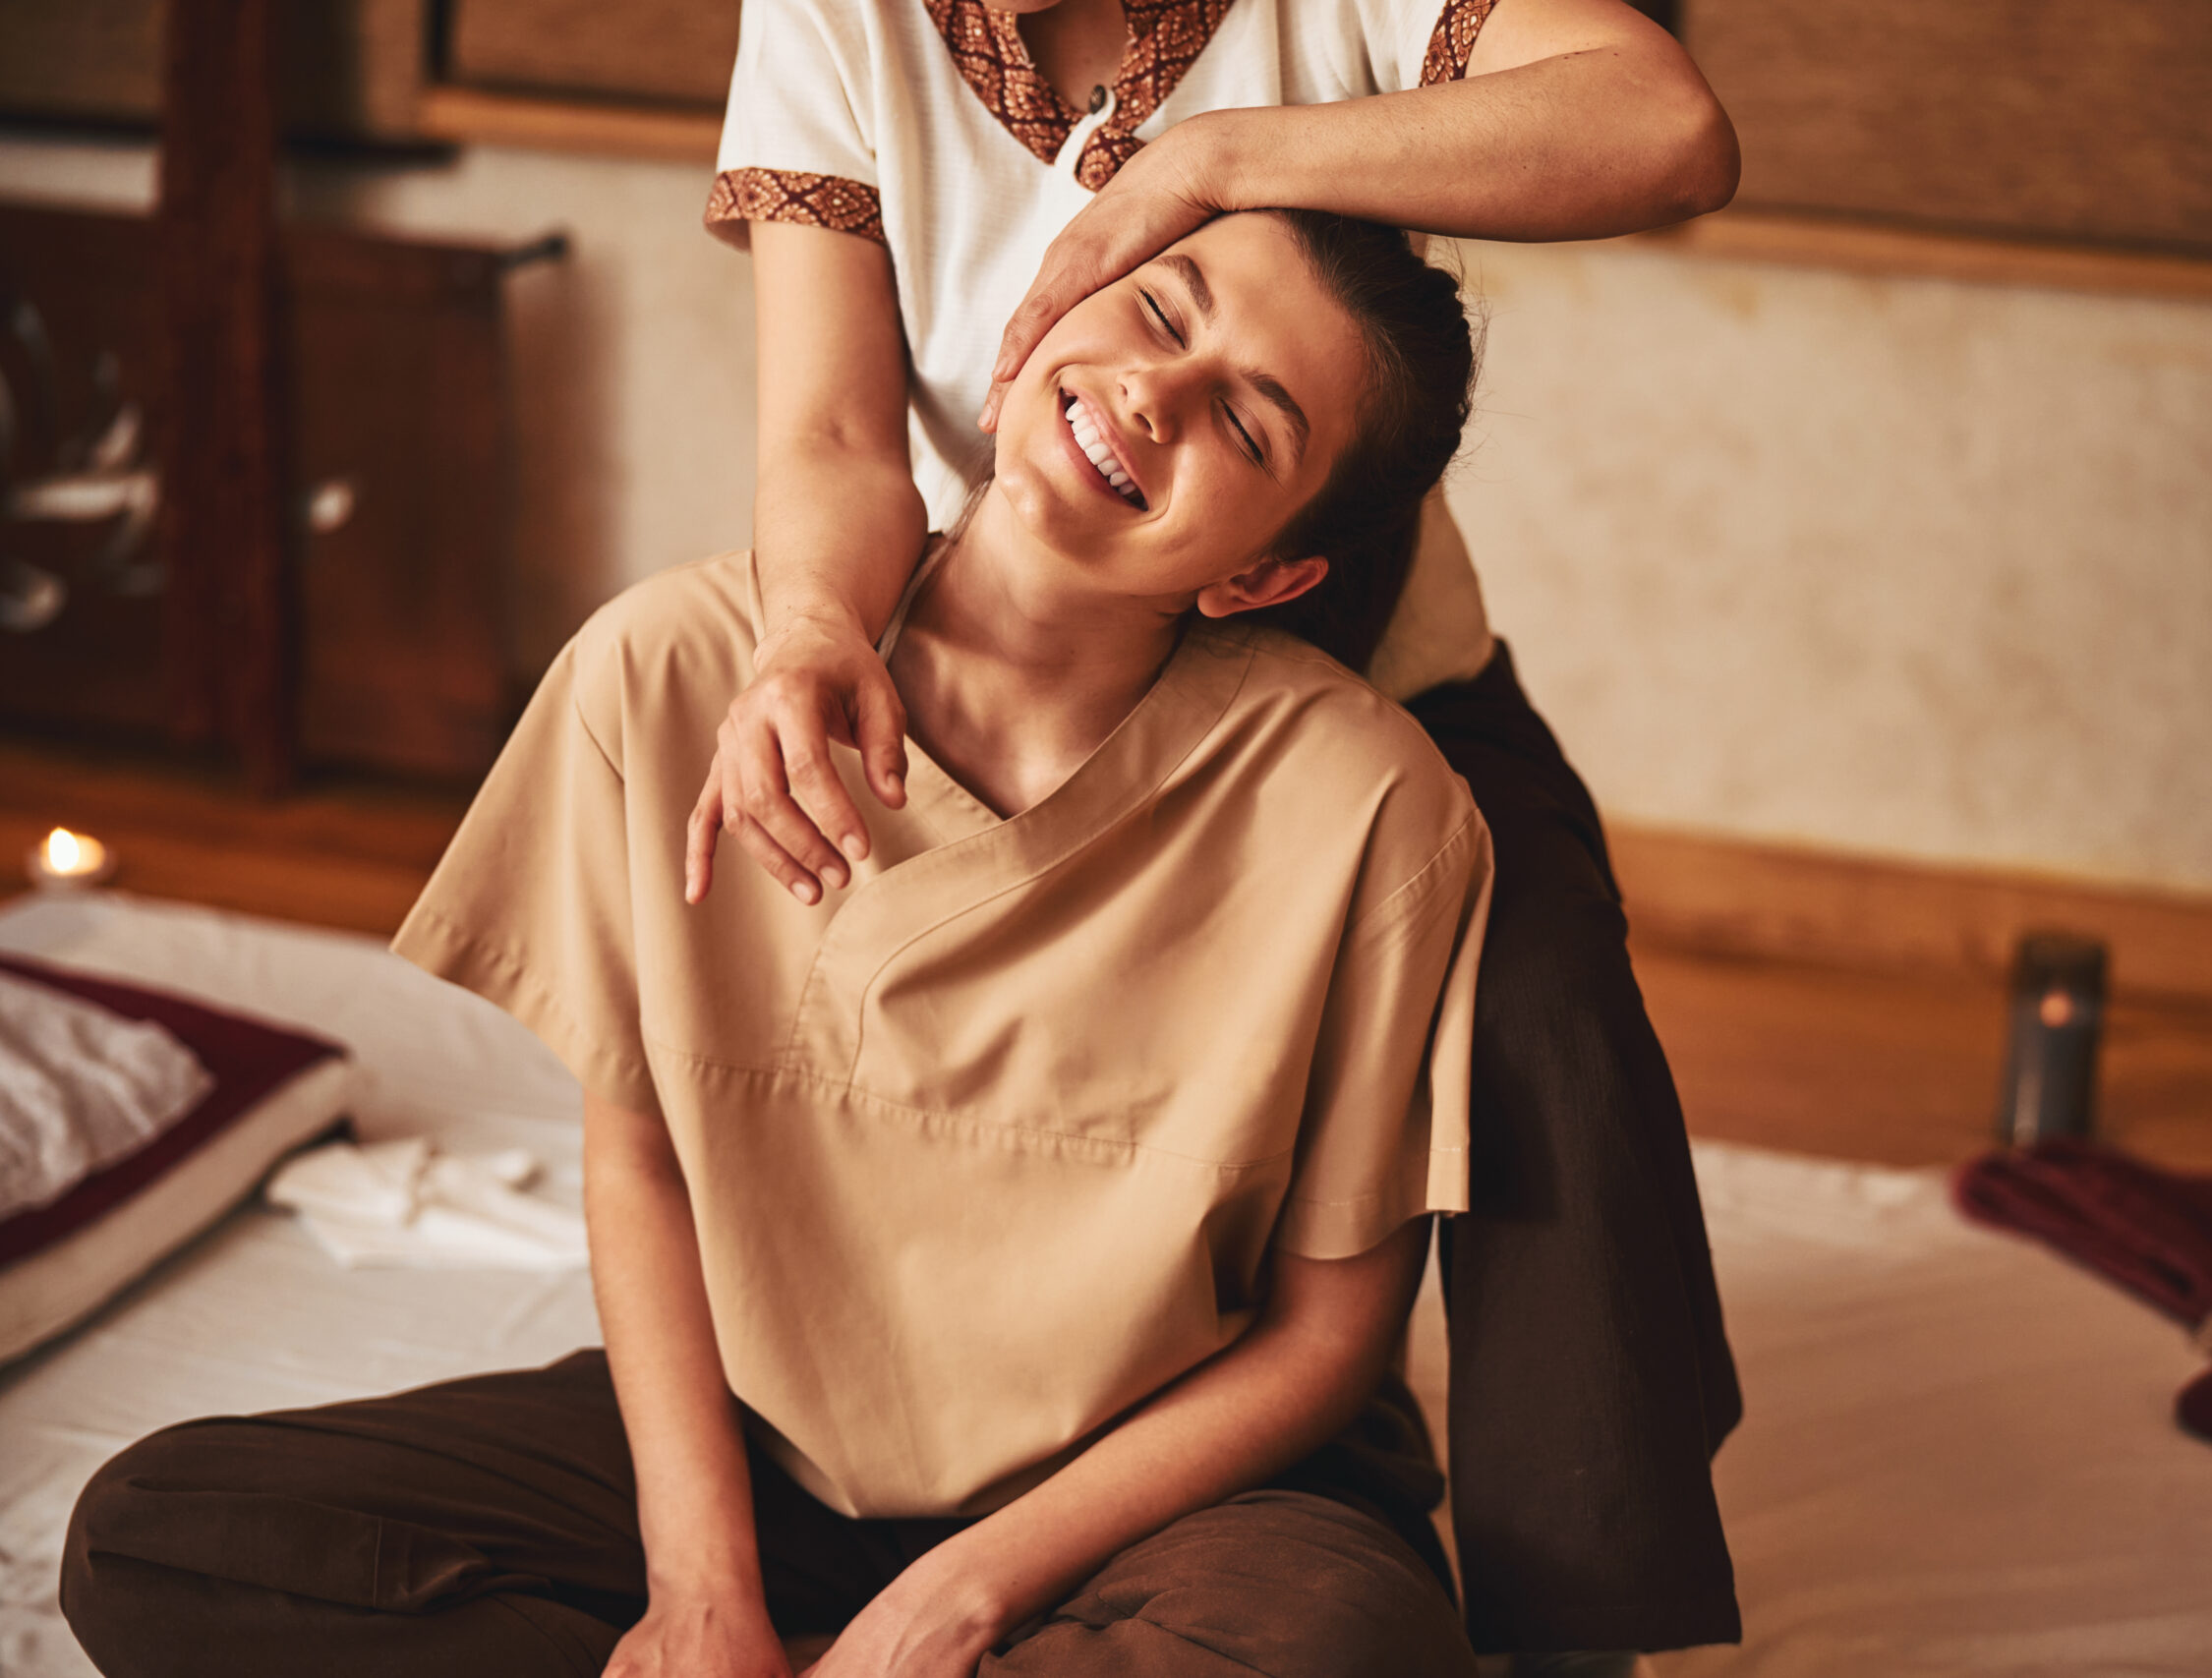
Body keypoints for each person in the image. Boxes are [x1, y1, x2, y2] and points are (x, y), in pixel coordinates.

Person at [63, 209, 1497, 1678]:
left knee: (1349, 1649)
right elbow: (641, 1157)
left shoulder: (1365, 806)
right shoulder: (671, 667)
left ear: (1260, 579)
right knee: (161, 1534)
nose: (1155, 392)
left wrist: (960, 1596)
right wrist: (701, 1590)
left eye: (1248, 427)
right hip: (780, 1459)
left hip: (1158, 1505)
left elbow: (1328, 1340)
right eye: (1161, 311)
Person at [695, 0, 1743, 1656]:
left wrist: (1219, 160)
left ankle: (1568, 1630)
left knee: (1540, 1003)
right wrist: (814, 624)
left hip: (1362, 675)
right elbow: (832, 429)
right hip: (1019, 673)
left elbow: (1666, 128)